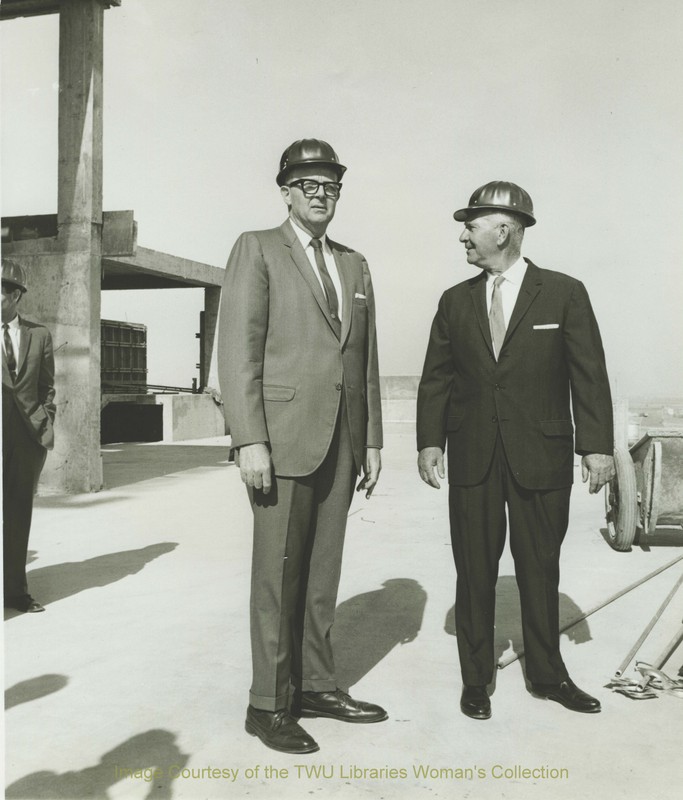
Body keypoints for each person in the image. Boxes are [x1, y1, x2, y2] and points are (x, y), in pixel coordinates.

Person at [416, 181, 615, 719]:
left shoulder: (564, 292)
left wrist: (597, 447)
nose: (463, 235)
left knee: (539, 568)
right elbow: (437, 378)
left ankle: (548, 676)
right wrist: (430, 441)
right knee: (474, 571)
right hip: (474, 456)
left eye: (472, 225)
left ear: (503, 230)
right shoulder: (454, 301)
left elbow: (589, 376)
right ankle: (476, 680)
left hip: (542, 456)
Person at [218, 139, 386, 754]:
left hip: (341, 441)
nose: (322, 195)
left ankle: (315, 686)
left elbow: (362, 357)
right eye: (310, 185)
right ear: (286, 191)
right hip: (281, 440)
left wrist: (370, 438)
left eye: (332, 186)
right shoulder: (258, 248)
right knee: (277, 576)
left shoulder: (355, 263)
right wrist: (249, 439)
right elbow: (238, 350)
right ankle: (268, 704)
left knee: (321, 575)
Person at [2, 258, 56, 613]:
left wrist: (45, 422)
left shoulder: (39, 335)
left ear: (15, 295)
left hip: (26, 439)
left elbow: (47, 386)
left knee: (19, 513)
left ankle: (15, 592)